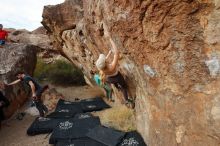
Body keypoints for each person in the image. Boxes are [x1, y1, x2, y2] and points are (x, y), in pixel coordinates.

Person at [95, 24, 133, 106]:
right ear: (105, 63)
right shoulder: (111, 67)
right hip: (117, 77)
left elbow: (105, 60)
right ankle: (126, 100)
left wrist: (109, 53)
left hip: (110, 79)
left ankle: (117, 87)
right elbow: (116, 53)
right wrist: (110, 39)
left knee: (115, 83)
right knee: (124, 87)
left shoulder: (101, 68)